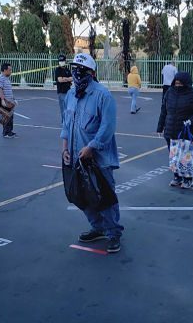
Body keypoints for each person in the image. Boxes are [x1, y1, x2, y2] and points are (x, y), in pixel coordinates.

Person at [61, 53, 124, 253]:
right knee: (81, 196)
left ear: (92, 73)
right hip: (75, 157)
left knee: (104, 196)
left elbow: (107, 127)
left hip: (98, 159)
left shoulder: (102, 95)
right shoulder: (71, 95)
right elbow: (65, 124)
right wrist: (64, 148)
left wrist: (92, 147)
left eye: (82, 70)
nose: (77, 74)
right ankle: (98, 227)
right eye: (75, 69)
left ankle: (113, 232)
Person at [157, 72, 193, 189]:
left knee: (186, 156)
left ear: (186, 83)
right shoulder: (170, 92)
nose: (177, 85)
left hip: (187, 131)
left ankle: (188, 179)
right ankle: (177, 176)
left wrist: (191, 120)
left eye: (180, 83)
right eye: (176, 83)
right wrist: (160, 127)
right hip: (171, 130)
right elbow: (164, 110)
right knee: (174, 156)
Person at [0, 63, 17, 138]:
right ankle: (6, 133)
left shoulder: (6, 78)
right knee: (6, 118)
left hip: (10, 101)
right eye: (9, 70)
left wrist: (13, 99)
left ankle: (10, 131)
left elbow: (9, 90)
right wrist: (2, 100)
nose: (11, 71)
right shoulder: (1, 78)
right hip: (6, 101)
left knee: (10, 117)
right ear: (5, 70)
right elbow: (0, 89)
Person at [54, 55, 72, 123]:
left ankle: (67, 121)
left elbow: (72, 78)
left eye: (62, 61)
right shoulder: (58, 70)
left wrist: (64, 78)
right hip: (61, 92)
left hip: (68, 91)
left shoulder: (67, 69)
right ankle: (64, 122)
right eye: (60, 61)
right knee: (63, 109)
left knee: (69, 108)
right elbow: (60, 80)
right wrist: (67, 79)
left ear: (65, 61)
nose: (61, 62)